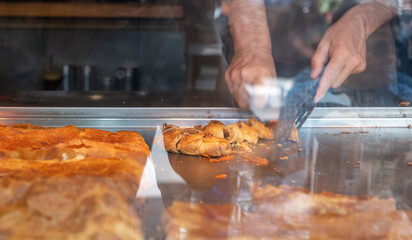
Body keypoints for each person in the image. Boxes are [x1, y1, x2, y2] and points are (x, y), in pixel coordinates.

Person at [221, 0, 397, 107]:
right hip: (261, 60)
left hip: (365, 75)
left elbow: (396, 2)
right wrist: (251, 41)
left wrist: (362, 19)